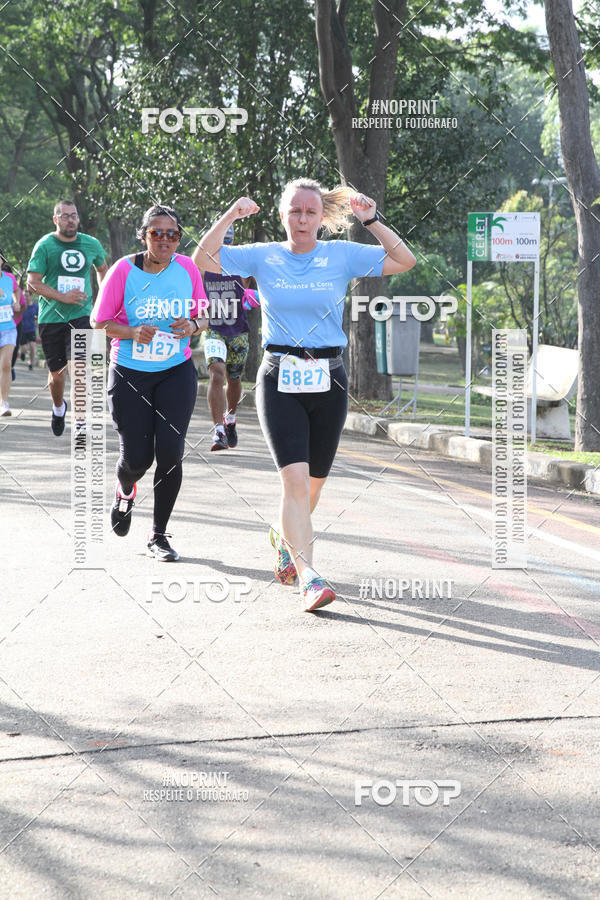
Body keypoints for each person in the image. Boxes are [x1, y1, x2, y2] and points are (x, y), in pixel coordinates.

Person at [193, 179, 416, 611]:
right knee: (293, 481)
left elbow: (403, 259)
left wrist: (370, 220)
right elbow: (202, 257)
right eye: (294, 211)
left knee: (312, 487)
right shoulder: (263, 255)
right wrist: (232, 215)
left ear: (321, 218)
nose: (302, 219)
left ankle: (283, 536)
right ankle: (310, 577)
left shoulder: (340, 255)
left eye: (310, 212)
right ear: (282, 215)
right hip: (280, 377)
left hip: (329, 378)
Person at [91, 205, 208, 562]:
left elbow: (203, 313)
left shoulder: (187, 267)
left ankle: (159, 536)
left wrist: (193, 326)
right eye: (157, 233)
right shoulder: (122, 271)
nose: (165, 240)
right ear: (143, 236)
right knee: (137, 458)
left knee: (170, 453)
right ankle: (125, 488)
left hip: (176, 370)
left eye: (173, 234)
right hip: (130, 373)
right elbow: (99, 321)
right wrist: (131, 332)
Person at [27, 200, 108, 436]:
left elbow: (103, 269)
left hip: (82, 316)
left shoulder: (91, 244)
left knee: (80, 368)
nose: (70, 220)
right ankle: (59, 406)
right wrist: (63, 297)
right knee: (57, 377)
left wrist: (102, 297)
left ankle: (80, 423)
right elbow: (32, 283)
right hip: (51, 318)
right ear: (55, 219)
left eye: (74, 215)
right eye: (65, 216)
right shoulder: (44, 245)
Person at [198, 224, 260, 450]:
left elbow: (261, 283)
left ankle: (230, 419)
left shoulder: (243, 264)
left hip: (238, 330)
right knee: (216, 374)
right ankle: (218, 432)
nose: (223, 247)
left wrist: (255, 296)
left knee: (233, 379)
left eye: (227, 242)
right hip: (213, 328)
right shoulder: (201, 266)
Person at [0, 263, 22, 416]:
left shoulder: (9, 278)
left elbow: (16, 290)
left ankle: (4, 403)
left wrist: (16, 301)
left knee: (6, 364)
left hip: (8, 327)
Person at [19, 290, 38, 369]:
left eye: (26, 295)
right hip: (22, 330)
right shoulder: (21, 306)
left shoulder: (35, 306)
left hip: (31, 329)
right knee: (24, 348)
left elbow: (38, 317)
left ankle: (31, 363)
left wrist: (37, 324)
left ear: (30, 296)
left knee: (32, 347)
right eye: (23, 295)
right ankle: (22, 353)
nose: (25, 297)